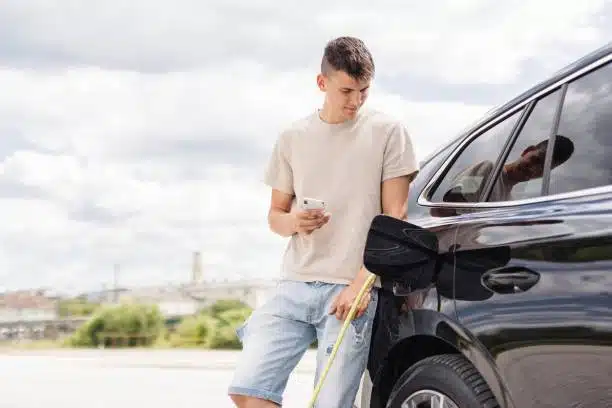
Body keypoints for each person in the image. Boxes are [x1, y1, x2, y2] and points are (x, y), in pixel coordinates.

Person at [228, 36, 418, 408]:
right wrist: (295, 221)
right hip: (294, 284)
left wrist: (362, 284)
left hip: (349, 288)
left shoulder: (388, 133)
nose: (356, 101)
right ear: (322, 83)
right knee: (248, 390)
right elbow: (275, 217)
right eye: (347, 90)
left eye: (364, 90)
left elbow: (395, 216)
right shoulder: (292, 137)